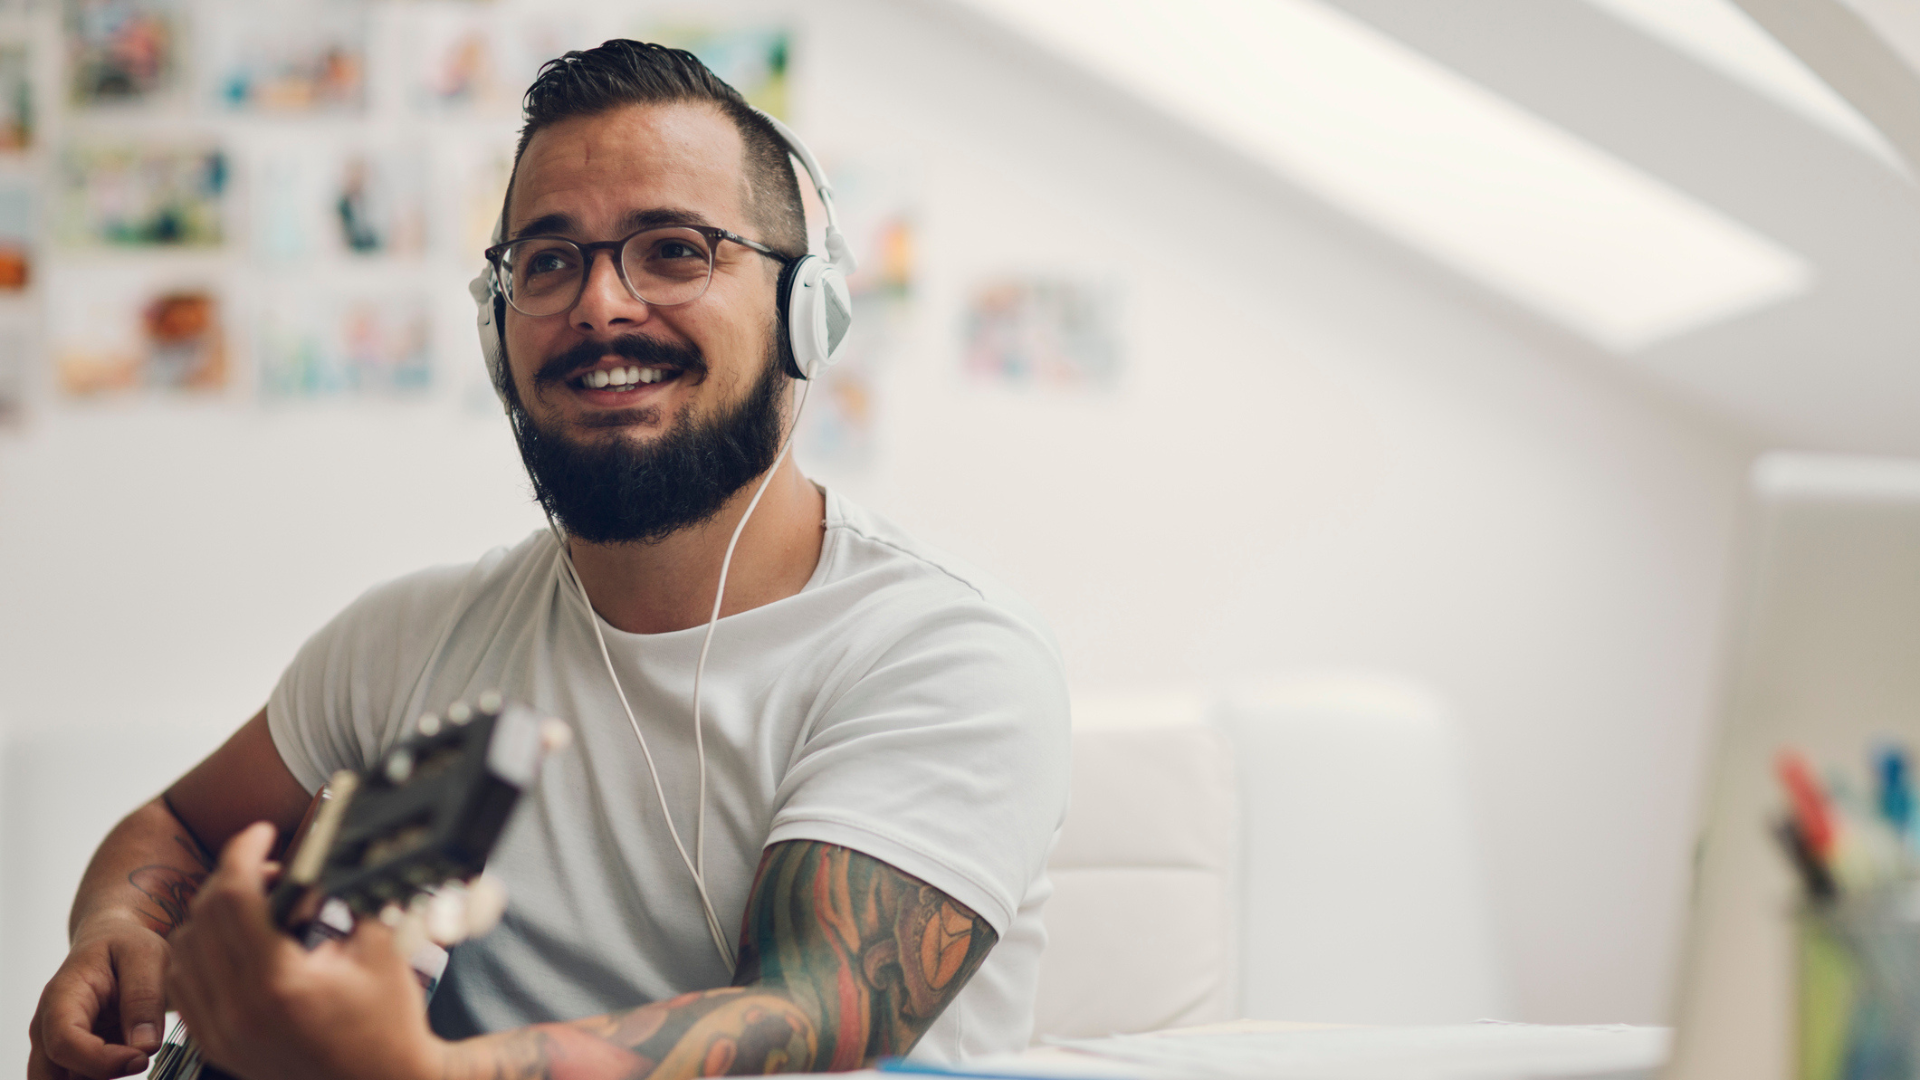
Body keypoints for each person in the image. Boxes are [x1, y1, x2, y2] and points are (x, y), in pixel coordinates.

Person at [27, 41, 1069, 1080]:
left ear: (806, 312)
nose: (601, 305)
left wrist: (423, 1071)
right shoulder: (403, 642)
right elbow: (175, 828)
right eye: (549, 260)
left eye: (674, 249)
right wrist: (123, 930)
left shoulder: (944, 652)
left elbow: (813, 1011)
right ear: (498, 331)